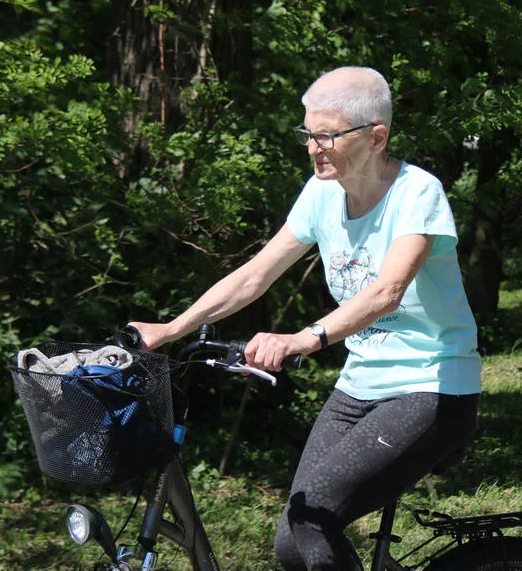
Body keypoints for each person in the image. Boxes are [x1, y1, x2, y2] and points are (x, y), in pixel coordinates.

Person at [129, 66, 481, 571]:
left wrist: (305, 338)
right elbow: (255, 276)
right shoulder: (322, 193)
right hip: (359, 387)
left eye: (328, 136)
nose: (314, 147)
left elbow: (387, 291)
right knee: (294, 546)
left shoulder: (416, 193)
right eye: (309, 134)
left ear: (376, 137)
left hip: (432, 387)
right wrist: (170, 329)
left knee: (314, 517)